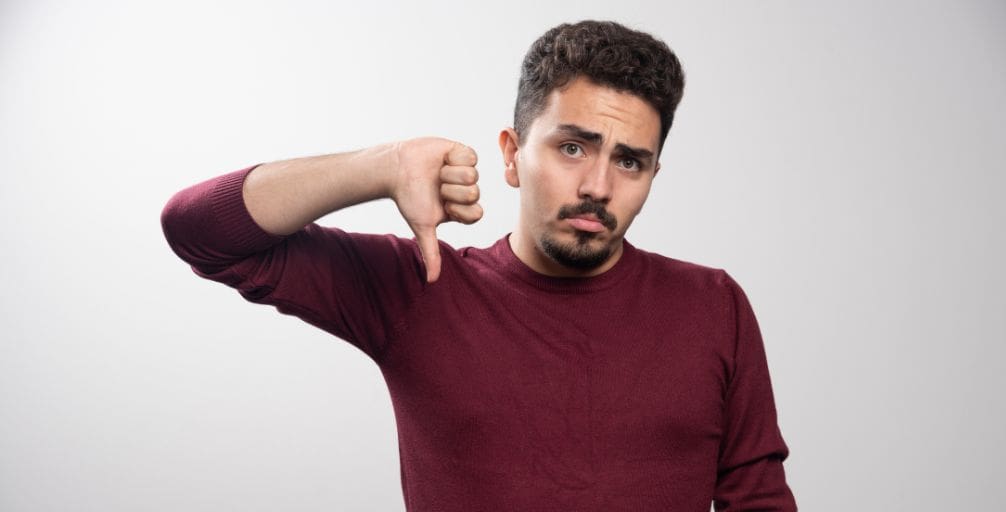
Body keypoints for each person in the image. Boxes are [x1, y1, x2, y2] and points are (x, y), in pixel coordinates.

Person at [161, 19, 796, 511]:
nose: (599, 186)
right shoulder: (423, 287)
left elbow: (759, 499)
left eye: (630, 161)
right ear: (512, 155)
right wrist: (379, 167)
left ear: (654, 173)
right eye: (573, 148)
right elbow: (198, 230)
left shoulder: (712, 306)